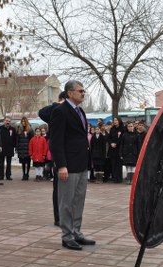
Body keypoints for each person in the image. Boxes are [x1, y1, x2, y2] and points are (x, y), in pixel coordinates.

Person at [49, 80, 96, 250]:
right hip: (68, 165)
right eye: (80, 91)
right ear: (69, 93)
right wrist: (61, 165)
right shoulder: (60, 111)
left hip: (82, 163)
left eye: (84, 91)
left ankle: (76, 232)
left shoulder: (80, 110)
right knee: (66, 202)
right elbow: (56, 141)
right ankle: (67, 236)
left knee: (78, 201)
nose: (83, 93)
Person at [38, 91, 66, 226]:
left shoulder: (74, 113)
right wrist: (57, 104)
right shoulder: (55, 112)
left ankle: (68, 216)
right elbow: (41, 112)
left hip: (72, 154)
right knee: (59, 187)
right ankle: (58, 217)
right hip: (59, 155)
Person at [0, 116, 16, 181]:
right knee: (1, 163)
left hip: (10, 148)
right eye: (6, 121)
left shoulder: (13, 129)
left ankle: (8, 175)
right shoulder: (0, 128)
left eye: (9, 121)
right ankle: (1, 175)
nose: (8, 122)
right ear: (4, 121)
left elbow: (14, 138)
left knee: (9, 163)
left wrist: (14, 146)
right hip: (2, 148)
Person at [107, 117, 124, 183]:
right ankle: (115, 178)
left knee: (119, 164)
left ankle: (119, 178)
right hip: (112, 148)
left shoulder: (122, 128)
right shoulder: (112, 129)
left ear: (119, 121)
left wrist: (116, 143)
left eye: (116, 120)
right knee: (113, 164)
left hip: (119, 148)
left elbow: (122, 138)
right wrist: (111, 143)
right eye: (114, 120)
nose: (115, 121)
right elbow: (109, 137)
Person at [16, 116, 34, 181]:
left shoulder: (30, 129)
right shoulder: (19, 129)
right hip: (21, 148)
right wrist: (17, 147)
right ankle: (24, 174)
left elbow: (32, 139)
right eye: (22, 121)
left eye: (24, 121)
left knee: (28, 162)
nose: (23, 122)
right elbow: (17, 139)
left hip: (28, 148)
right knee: (23, 162)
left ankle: (27, 174)